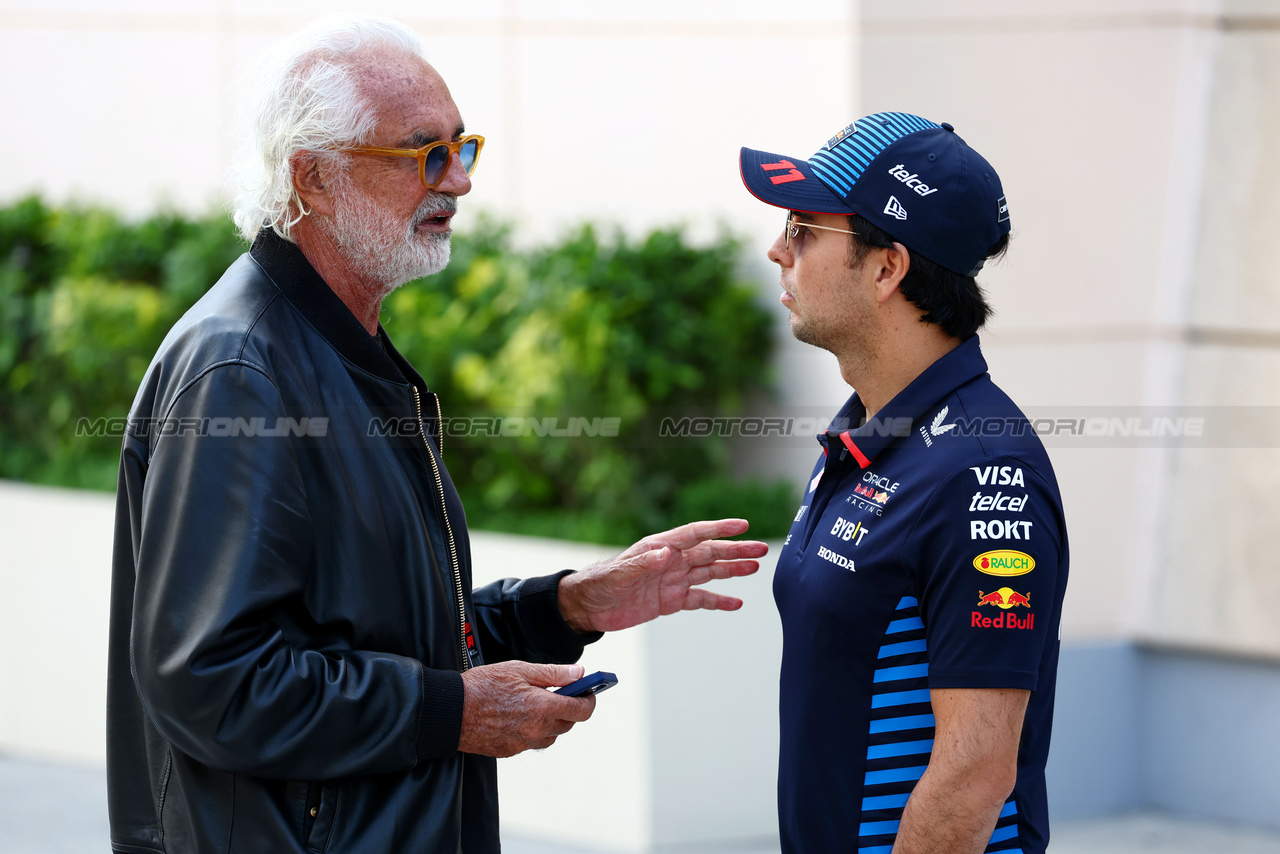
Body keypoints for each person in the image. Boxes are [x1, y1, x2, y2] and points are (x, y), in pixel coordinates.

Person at [105, 16, 767, 854]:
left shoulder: (342, 352)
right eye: (425, 154)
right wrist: (455, 714)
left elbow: (385, 639)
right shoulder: (243, 371)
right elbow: (212, 683)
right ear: (312, 176)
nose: (457, 180)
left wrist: (567, 605)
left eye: (464, 147)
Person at [739, 112, 1069, 853]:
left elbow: (975, 774)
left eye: (802, 228)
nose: (776, 249)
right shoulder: (871, 433)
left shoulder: (984, 470)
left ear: (888, 268)